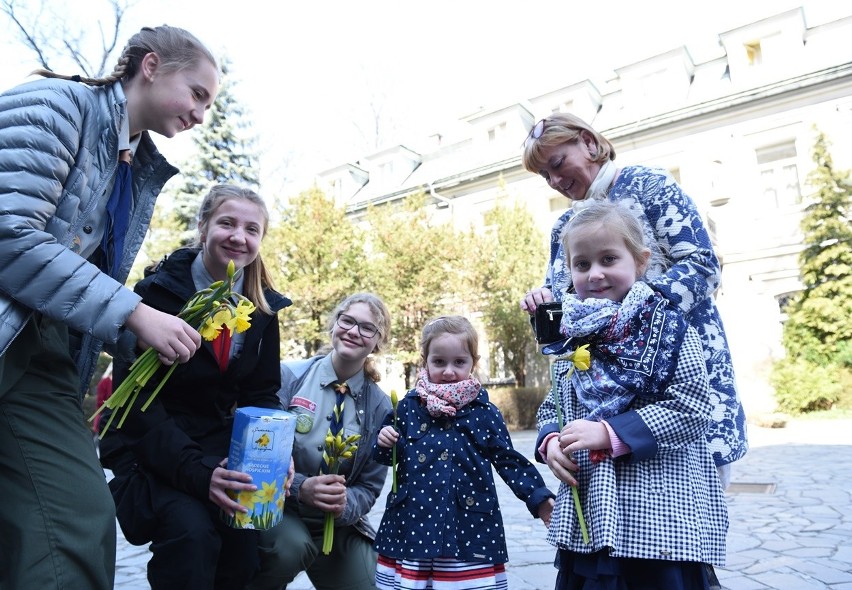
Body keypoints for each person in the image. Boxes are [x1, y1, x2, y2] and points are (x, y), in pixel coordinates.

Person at [0, 25, 218, 589]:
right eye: (197, 94)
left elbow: (86, 280)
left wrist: (134, 334)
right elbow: (9, 234)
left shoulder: (132, 164)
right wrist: (135, 313)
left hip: (43, 349)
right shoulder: (55, 105)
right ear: (150, 66)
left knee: (80, 515)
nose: (201, 114)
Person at [520, 112, 747, 489]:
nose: (556, 181)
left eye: (558, 163)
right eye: (545, 175)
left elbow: (702, 265)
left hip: (674, 386)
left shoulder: (649, 185)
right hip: (598, 405)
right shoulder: (564, 228)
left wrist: (631, 313)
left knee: (691, 519)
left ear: (589, 143)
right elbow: (564, 323)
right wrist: (542, 307)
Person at [98, 184, 291, 589]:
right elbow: (135, 406)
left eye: (252, 229)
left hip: (217, 447)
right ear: (202, 228)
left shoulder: (263, 308)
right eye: (227, 223)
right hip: (152, 448)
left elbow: (261, 395)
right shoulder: (155, 296)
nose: (239, 237)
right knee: (192, 536)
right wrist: (200, 473)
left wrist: (276, 450)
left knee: (242, 547)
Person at [535, 200, 728, 589]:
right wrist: (552, 439)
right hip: (591, 512)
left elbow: (693, 406)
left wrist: (611, 433)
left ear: (640, 262)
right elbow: (554, 402)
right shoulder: (573, 336)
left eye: (609, 259)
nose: (595, 274)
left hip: (659, 516)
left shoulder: (668, 327)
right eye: (582, 264)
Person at [373, 315, 555, 590]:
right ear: (425, 361)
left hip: (466, 527)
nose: (449, 371)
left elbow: (509, 461)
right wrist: (386, 441)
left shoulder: (484, 412)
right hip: (413, 524)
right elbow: (388, 457)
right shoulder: (408, 407)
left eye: (459, 362)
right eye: (439, 362)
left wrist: (539, 499)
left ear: (473, 362)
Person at [247, 293, 394, 590]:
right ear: (334, 324)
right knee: (290, 549)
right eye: (347, 321)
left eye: (367, 328)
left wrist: (344, 504)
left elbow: (369, 485)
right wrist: (301, 488)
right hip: (280, 510)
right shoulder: (289, 376)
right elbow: (258, 457)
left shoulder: (381, 407)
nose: (353, 331)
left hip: (336, 525)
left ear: (377, 342)